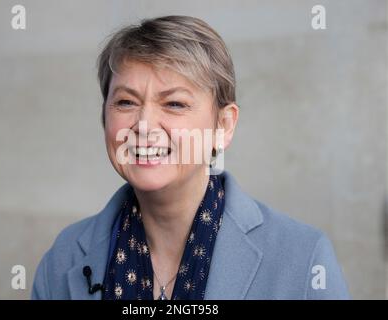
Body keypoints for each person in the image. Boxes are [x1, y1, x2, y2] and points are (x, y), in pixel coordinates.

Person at [32, 15, 349, 300]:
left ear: (223, 126)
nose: (144, 126)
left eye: (174, 104)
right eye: (126, 102)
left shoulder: (303, 258)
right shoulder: (63, 258)